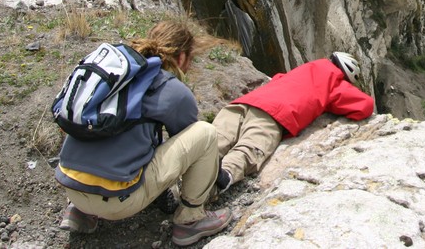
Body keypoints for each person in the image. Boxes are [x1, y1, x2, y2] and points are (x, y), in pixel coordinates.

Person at [54, 20, 233, 247]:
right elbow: (191, 143)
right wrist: (219, 177)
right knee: (205, 132)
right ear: (181, 58)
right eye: (190, 59)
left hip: (71, 188)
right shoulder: (172, 90)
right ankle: (190, 220)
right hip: (116, 203)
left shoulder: (117, 73)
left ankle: (80, 212)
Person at [213, 52, 375, 192]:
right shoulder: (334, 80)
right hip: (273, 114)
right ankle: (222, 178)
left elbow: (276, 79)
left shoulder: (302, 69)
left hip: (244, 103)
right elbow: (365, 106)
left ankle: (191, 168)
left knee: (214, 140)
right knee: (249, 150)